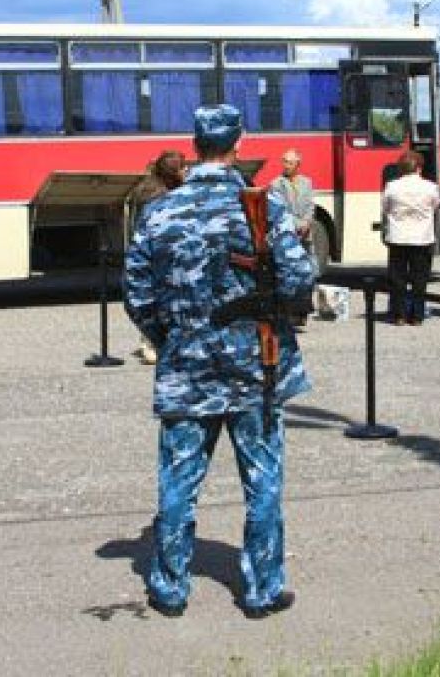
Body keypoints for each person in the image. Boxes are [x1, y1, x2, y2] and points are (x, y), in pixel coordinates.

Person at [123, 104, 313, 619]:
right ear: (240, 141)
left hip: (187, 371)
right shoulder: (263, 206)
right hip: (256, 367)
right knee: (263, 478)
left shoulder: (159, 211)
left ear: (194, 142)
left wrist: (174, 337)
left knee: (179, 480)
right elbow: (300, 280)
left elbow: (137, 295)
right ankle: (262, 588)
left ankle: (168, 587)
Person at [129, 150, 187, 363]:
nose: (187, 171)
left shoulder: (156, 190)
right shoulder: (159, 196)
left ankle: (153, 340)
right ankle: (150, 342)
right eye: (183, 167)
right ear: (175, 172)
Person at [382, 151, 440, 325]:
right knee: (420, 278)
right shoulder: (430, 187)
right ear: (419, 168)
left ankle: (399, 314)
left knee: (397, 278)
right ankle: (417, 316)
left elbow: (385, 207)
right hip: (422, 237)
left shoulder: (392, 186)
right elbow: (435, 206)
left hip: (398, 236)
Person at [269, 148, 319, 279]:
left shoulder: (306, 182)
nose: (286, 166)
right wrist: (299, 225)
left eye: (290, 163)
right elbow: (280, 211)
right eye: (284, 162)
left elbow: (310, 205)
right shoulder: (276, 184)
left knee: (310, 266)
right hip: (288, 232)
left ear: (298, 165)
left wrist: (307, 223)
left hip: (306, 232)